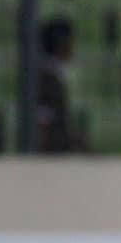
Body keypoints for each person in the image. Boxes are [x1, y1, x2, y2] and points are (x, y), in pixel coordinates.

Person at [36, 17, 87, 153]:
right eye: (71, 40)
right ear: (61, 43)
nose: (73, 46)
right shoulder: (47, 80)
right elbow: (43, 126)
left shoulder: (53, 76)